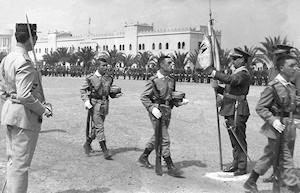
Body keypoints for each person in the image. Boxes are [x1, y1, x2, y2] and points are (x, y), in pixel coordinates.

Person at [0, 23, 52, 193]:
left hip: (9, 113)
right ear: (31, 38)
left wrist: (12, 98)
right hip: (24, 118)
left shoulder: (7, 58)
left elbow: (3, 91)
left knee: (13, 161)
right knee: (21, 166)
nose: (36, 41)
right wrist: (42, 109)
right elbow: (24, 95)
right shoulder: (24, 61)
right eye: (35, 37)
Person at [243, 54, 300, 193]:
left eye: (296, 65)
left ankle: (253, 181)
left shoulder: (291, 86)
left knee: (271, 156)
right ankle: (293, 186)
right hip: (277, 127)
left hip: (289, 126)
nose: (295, 68)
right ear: (281, 68)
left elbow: (293, 105)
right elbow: (261, 107)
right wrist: (272, 120)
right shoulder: (273, 86)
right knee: (285, 158)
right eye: (291, 65)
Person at [138, 56, 189, 177]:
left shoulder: (171, 79)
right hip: (157, 111)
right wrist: (152, 108)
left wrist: (179, 102)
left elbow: (171, 97)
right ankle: (170, 165)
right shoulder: (153, 80)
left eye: (172, 63)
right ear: (161, 65)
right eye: (169, 63)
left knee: (158, 135)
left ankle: (144, 156)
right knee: (165, 138)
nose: (173, 65)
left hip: (167, 111)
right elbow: (144, 97)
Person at [207, 48, 252, 176]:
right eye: (232, 58)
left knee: (239, 138)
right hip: (230, 108)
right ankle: (236, 163)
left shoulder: (243, 73)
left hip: (238, 109)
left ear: (242, 59)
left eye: (235, 58)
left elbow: (232, 80)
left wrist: (215, 73)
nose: (232, 61)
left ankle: (242, 166)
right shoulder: (236, 72)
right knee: (233, 138)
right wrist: (218, 89)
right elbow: (229, 92)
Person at [80, 58, 122, 159]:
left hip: (105, 104)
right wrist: (86, 101)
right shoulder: (90, 78)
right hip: (95, 104)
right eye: (103, 65)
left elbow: (109, 92)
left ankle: (87, 143)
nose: (105, 67)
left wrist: (115, 94)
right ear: (97, 66)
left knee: (96, 128)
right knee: (100, 127)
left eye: (106, 65)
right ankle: (105, 151)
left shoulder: (109, 78)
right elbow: (82, 91)